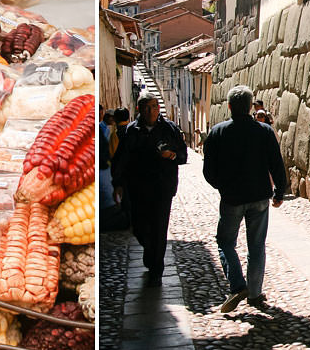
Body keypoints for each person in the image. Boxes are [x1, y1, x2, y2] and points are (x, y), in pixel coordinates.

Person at [202, 84, 287, 312]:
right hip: (259, 197)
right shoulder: (264, 132)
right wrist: (280, 192)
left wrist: (222, 186)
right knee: (257, 245)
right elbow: (277, 165)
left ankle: (238, 285)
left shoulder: (218, 132)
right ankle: (255, 293)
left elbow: (208, 170)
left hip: (232, 198)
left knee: (225, 241)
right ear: (250, 107)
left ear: (229, 106)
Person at [115, 96, 186, 279]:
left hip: (163, 187)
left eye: (154, 107)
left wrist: (171, 155)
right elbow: (121, 160)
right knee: (139, 227)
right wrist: (118, 184)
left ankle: (156, 269)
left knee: (159, 228)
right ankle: (150, 252)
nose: (151, 111)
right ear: (139, 109)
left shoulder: (169, 129)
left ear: (158, 108)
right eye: (147, 108)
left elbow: (183, 156)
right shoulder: (131, 131)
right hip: (138, 187)